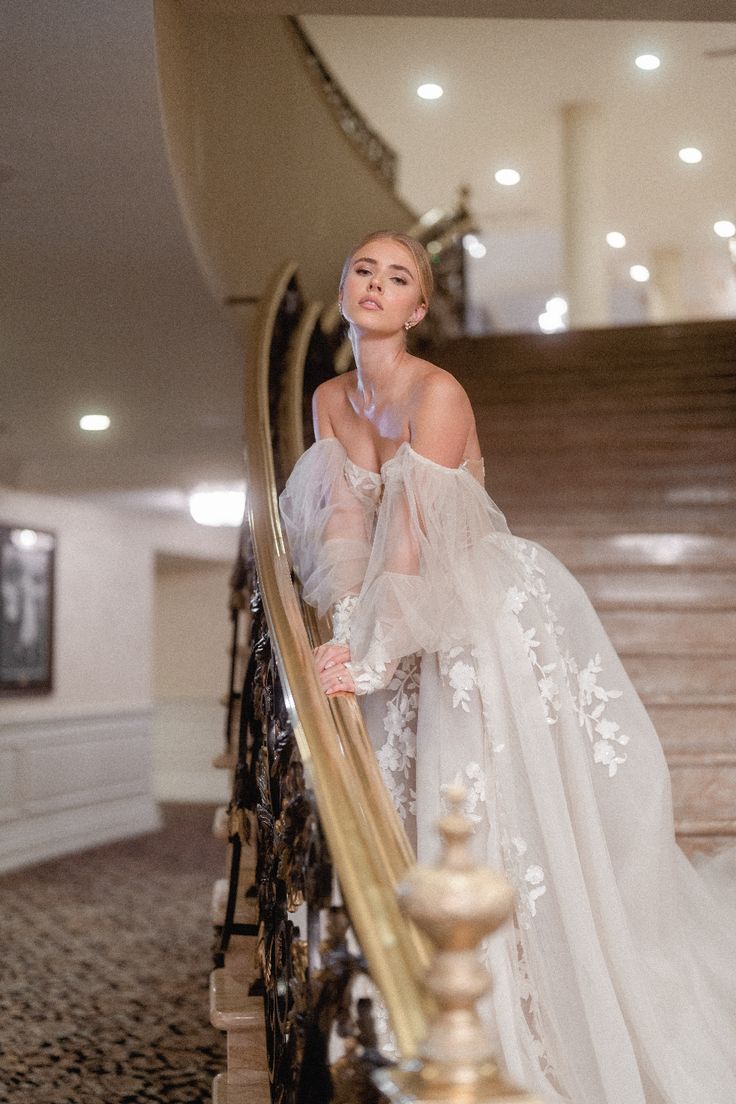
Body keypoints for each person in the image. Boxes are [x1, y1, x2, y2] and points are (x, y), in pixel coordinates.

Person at [279, 231, 736, 1104]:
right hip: (393, 609)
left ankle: (509, 1029)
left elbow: (411, 544)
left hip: (472, 621)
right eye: (363, 272)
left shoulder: (438, 393)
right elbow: (345, 524)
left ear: (419, 310)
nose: (377, 285)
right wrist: (341, 629)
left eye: (398, 277)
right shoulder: (331, 395)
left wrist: (372, 655)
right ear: (344, 293)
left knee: (489, 813)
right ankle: (412, 1016)